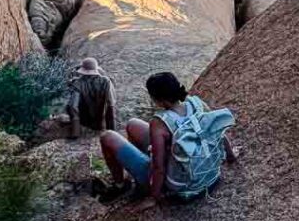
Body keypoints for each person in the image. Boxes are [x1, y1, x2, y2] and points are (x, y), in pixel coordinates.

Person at [99, 72, 238, 207]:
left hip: (183, 185)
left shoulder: (160, 123)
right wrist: (230, 156)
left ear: (158, 100)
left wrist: (155, 197)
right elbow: (216, 131)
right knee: (132, 124)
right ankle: (139, 177)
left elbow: (158, 167)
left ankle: (121, 186)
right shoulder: (196, 103)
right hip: (209, 175)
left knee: (107, 137)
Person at [66, 57, 117, 138]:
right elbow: (111, 104)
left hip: (84, 122)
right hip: (101, 124)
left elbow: (72, 106)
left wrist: (75, 131)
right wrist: (112, 130)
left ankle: (76, 131)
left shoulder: (77, 83)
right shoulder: (106, 81)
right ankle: (112, 132)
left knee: (68, 106)